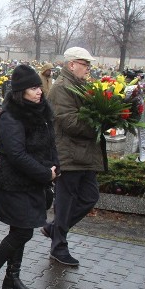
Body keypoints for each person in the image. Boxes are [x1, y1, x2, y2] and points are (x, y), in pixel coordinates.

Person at [0, 65, 58, 289]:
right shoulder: (10, 117)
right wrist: (45, 174)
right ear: (20, 91)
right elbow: (17, 155)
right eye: (33, 88)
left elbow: (49, 143)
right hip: (12, 183)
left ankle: (12, 277)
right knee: (23, 232)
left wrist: (55, 166)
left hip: (32, 181)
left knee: (20, 229)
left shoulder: (40, 111)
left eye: (39, 87)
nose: (39, 92)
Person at [42, 47, 103, 267]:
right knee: (65, 203)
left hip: (84, 153)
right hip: (68, 154)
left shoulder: (80, 86)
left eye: (88, 65)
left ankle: (53, 228)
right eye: (84, 64)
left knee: (89, 197)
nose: (88, 68)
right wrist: (99, 122)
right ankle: (58, 247)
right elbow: (69, 122)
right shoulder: (62, 88)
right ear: (71, 65)